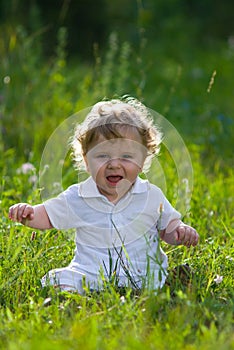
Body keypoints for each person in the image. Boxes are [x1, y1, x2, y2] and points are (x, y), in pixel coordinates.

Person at [8, 98, 199, 294]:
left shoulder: (151, 196)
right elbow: (48, 216)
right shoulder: (78, 196)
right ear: (86, 161)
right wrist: (29, 214)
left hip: (142, 273)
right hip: (90, 273)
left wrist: (180, 232)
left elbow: (167, 228)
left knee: (154, 281)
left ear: (142, 161)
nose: (114, 164)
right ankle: (70, 298)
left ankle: (167, 282)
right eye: (103, 156)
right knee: (64, 280)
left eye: (126, 156)